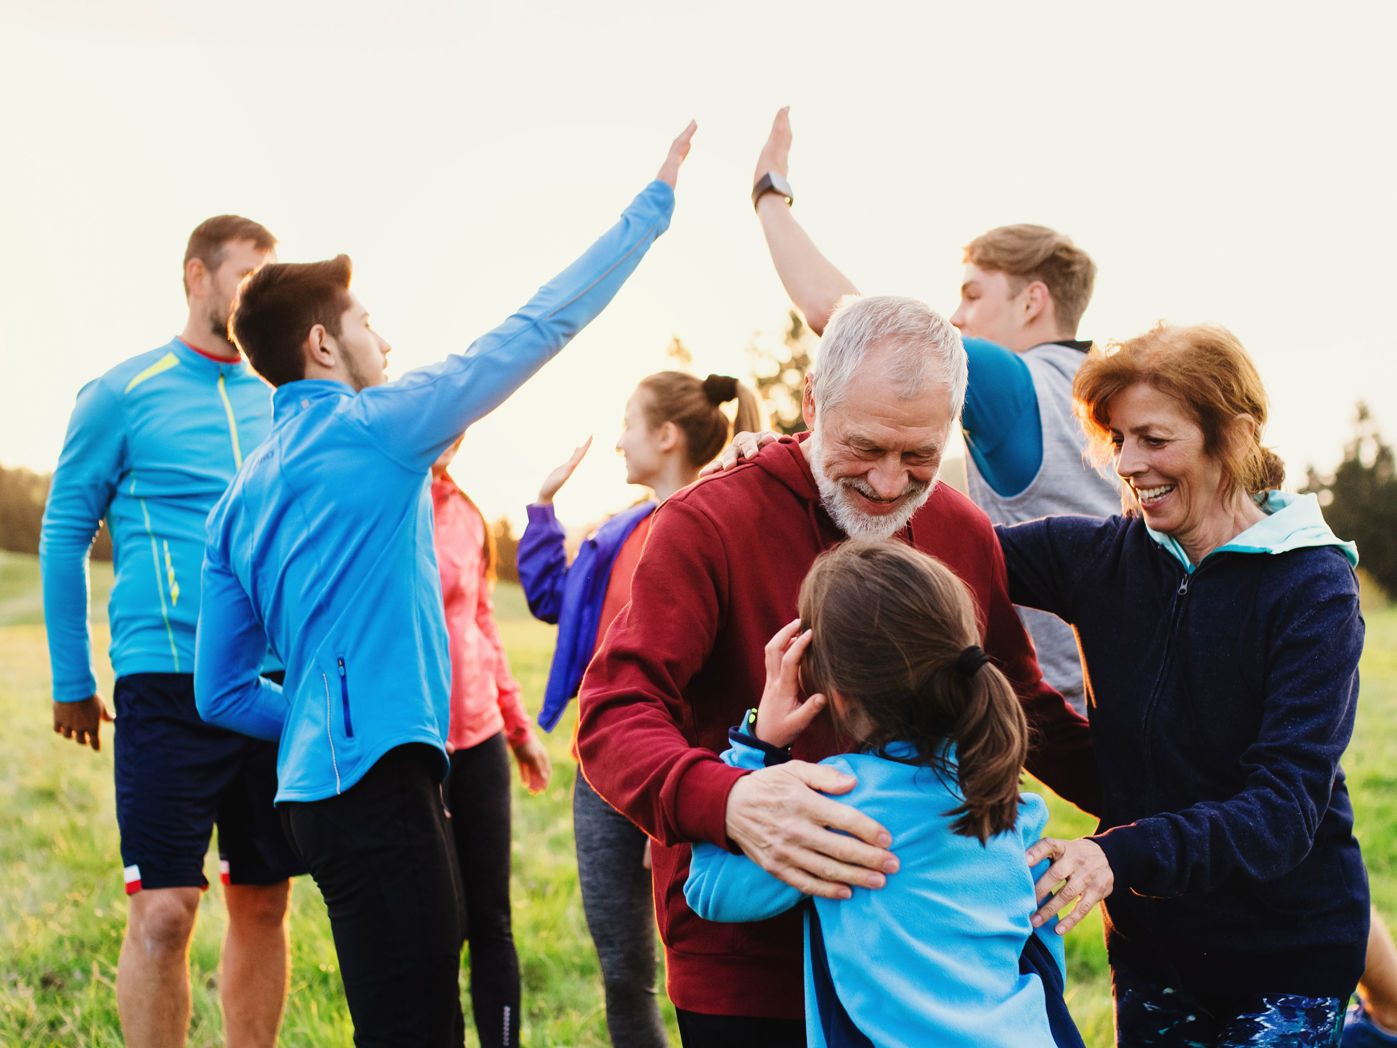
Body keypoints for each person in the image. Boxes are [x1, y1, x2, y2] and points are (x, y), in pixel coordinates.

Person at [193, 123, 694, 1046]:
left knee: (394, 1017)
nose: (383, 339)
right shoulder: (377, 429)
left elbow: (219, 692)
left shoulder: (236, 500)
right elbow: (537, 324)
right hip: (379, 786)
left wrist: (314, 711)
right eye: (366, 323)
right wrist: (651, 208)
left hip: (313, 801)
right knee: (420, 1025)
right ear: (322, 344)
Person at [576, 294, 1098, 1046]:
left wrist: (1154, 825)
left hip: (920, 971)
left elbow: (1024, 703)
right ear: (812, 402)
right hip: (750, 969)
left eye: (918, 456)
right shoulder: (706, 522)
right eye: (865, 448)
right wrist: (729, 800)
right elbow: (616, 711)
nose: (888, 483)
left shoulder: (961, 529)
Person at [1002, 323, 1368, 1046]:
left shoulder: (1312, 587)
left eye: (1153, 439)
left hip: (1286, 959)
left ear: (1231, 436)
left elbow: (1283, 810)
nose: (1127, 464)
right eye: (1118, 439)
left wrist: (1117, 853)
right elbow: (942, 549)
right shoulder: (1100, 557)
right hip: (1154, 954)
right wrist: (802, 459)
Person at [747, 106, 1118, 713]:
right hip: (1121, 684)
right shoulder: (1102, 389)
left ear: (1033, 301)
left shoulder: (1010, 381)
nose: (957, 316)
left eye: (973, 294)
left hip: (1056, 701)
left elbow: (841, 318)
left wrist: (769, 196)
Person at [39, 214, 301, 1048]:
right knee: (165, 910)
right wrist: (72, 678)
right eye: (246, 277)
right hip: (164, 677)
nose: (257, 295)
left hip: (269, 684)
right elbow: (64, 532)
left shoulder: (283, 401)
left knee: (263, 899)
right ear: (196, 275)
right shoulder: (120, 393)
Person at [684, 539, 1083, 1048]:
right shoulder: (1010, 801)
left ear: (837, 694)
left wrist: (757, 746)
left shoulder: (838, 801)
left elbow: (711, 890)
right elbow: (1043, 948)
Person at [517, 369, 762, 1048]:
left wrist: (675, 812)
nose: (620, 441)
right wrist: (542, 506)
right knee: (623, 971)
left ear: (667, 435)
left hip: (693, 775)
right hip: (602, 779)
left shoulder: (723, 520)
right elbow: (555, 601)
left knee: (703, 972)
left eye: (629, 424)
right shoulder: (617, 533)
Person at [430, 439, 552, 1048]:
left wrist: (519, 729)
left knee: (491, 919)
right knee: (439, 925)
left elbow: (483, 625)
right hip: (415, 752)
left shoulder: (466, 513)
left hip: (480, 740)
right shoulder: (381, 501)